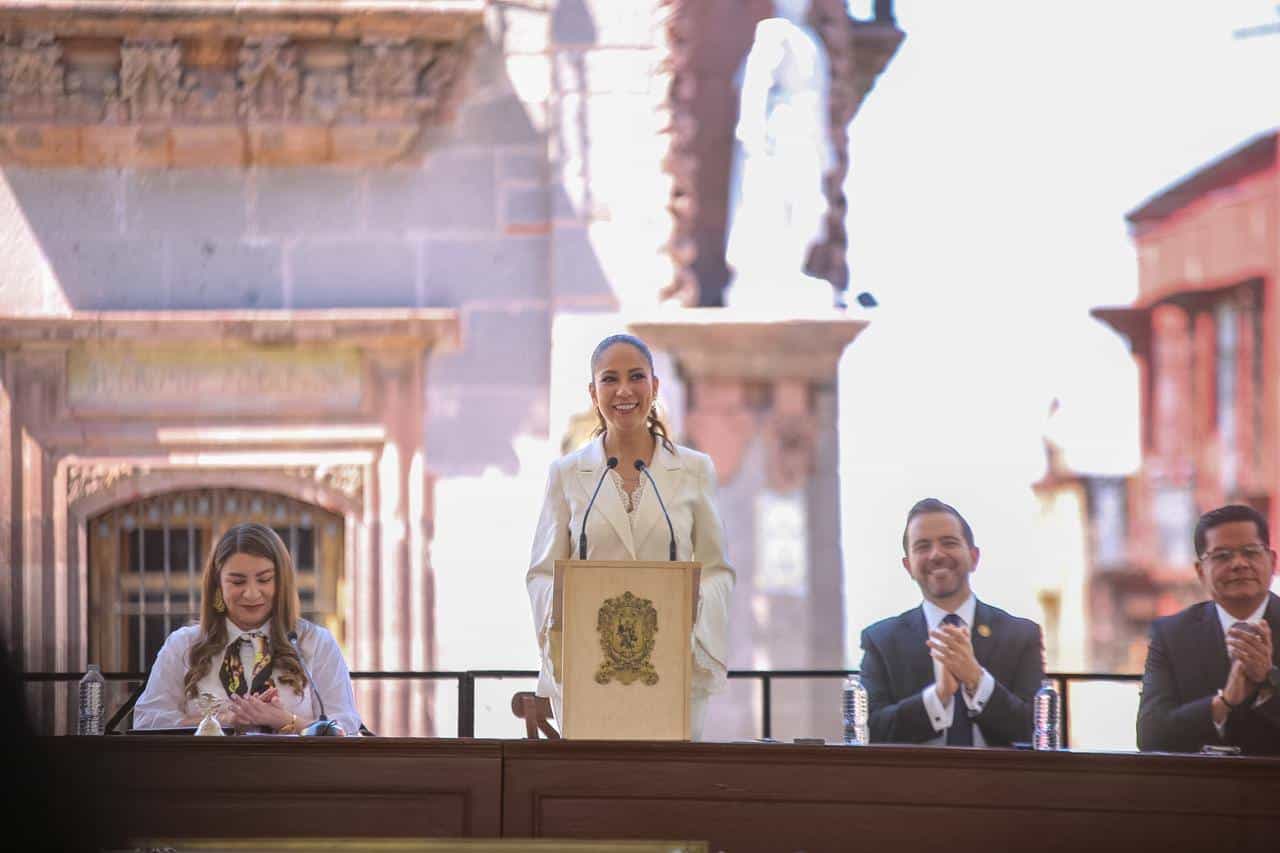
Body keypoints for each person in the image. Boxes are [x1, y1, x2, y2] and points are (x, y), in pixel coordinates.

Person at [527, 333, 735, 740]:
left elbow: (718, 571)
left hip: (672, 667)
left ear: (654, 387)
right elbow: (541, 574)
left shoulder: (694, 470)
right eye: (610, 379)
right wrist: (570, 609)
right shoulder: (567, 474)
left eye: (636, 376)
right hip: (590, 669)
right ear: (593, 393)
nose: (624, 390)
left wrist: (690, 602)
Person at [133, 522, 361, 735]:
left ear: (281, 583)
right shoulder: (183, 645)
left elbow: (346, 729)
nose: (252, 593)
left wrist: (284, 720)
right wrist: (228, 719)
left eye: (264, 580)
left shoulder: (316, 642)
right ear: (218, 585)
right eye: (238, 582)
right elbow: (147, 722)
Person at [859, 498, 1044, 746]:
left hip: (1001, 781)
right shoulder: (881, 640)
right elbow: (869, 732)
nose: (936, 554)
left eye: (949, 542)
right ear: (908, 566)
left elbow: (1037, 731)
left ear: (974, 557)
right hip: (913, 782)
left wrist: (977, 680)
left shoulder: (1021, 636)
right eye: (923, 546)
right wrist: (938, 696)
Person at [1137, 504, 1280, 754]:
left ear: (1272, 561)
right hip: (1200, 788)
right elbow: (1151, 736)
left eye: (1250, 552)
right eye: (1222, 555)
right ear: (1201, 572)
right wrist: (1223, 703)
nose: (1239, 564)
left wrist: (1268, 680)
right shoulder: (1171, 635)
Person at [724, 0, 835, 312]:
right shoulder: (775, 32)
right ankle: (773, 274)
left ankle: (793, 270)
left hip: (808, 130)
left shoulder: (808, 39)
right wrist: (754, 137)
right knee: (779, 204)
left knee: (809, 208)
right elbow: (755, 87)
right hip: (782, 132)